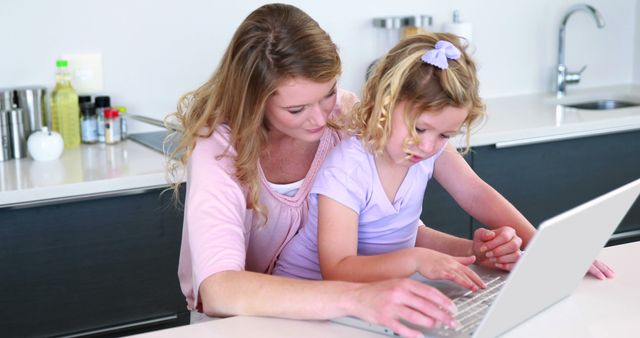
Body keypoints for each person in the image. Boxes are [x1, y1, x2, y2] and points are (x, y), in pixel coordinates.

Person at [171, 4, 462, 338]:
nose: (321, 119)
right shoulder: (218, 148)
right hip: (240, 322)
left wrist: (469, 250)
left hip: (331, 312)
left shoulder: (348, 114)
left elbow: (387, 228)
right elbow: (219, 290)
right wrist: (356, 298)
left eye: (328, 94)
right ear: (254, 101)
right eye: (296, 109)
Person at [273, 33, 526, 290]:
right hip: (305, 293)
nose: (428, 146)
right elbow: (337, 270)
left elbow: (476, 194)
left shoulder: (425, 150)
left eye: (445, 135)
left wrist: (534, 245)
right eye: (419, 128)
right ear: (385, 104)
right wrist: (415, 260)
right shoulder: (347, 169)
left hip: (370, 293)